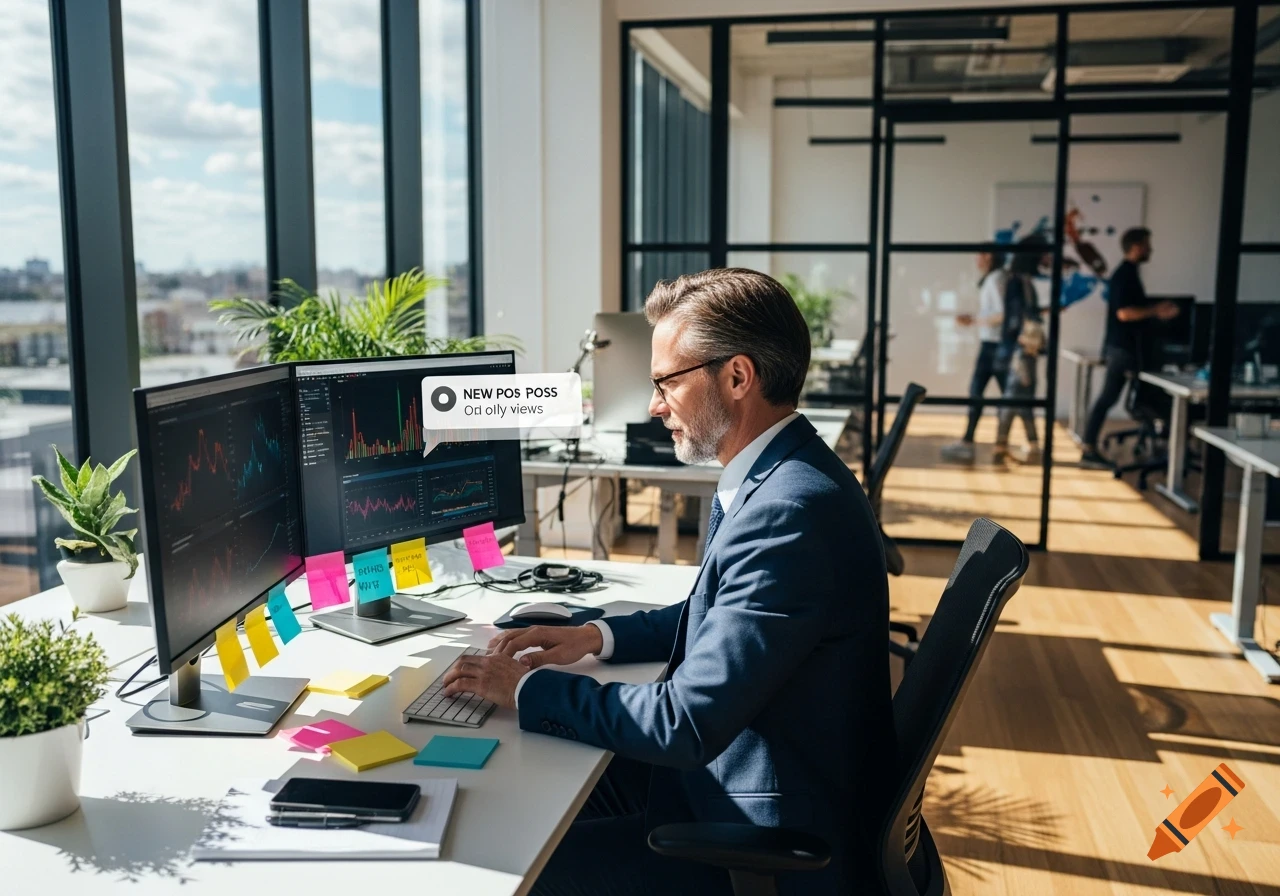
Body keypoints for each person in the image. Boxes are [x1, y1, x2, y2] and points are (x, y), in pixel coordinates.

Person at [440, 268, 895, 896]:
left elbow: (683, 723)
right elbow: (717, 617)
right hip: (735, 773)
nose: (655, 405)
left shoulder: (789, 513)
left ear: (737, 377)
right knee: (521, 789)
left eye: (665, 383)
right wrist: (594, 637)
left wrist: (527, 688)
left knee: (499, 856)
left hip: (752, 828)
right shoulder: (781, 475)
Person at [1079, 228, 1179, 469]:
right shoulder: (1124, 275)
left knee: (1115, 398)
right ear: (1135, 246)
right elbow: (1124, 313)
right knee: (1108, 398)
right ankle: (1088, 448)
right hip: (1122, 350)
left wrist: (1154, 310)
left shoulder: (1129, 273)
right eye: (1147, 245)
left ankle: (1089, 446)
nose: (1150, 249)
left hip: (1123, 348)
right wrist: (1155, 311)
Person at [941, 250, 1008, 463]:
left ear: (989, 256)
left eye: (980, 254)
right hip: (993, 345)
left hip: (993, 346)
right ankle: (986, 442)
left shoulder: (996, 279)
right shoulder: (995, 278)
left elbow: (1001, 314)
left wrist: (974, 321)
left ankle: (980, 443)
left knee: (981, 393)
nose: (976, 259)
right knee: (1002, 395)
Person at [992, 241, 1048, 464]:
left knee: (1023, 399)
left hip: (1022, 348)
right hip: (1021, 349)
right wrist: (1024, 340)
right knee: (1015, 397)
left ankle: (1031, 446)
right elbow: (1016, 318)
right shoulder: (1019, 282)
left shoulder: (1021, 281)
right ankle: (1000, 446)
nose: (1047, 259)